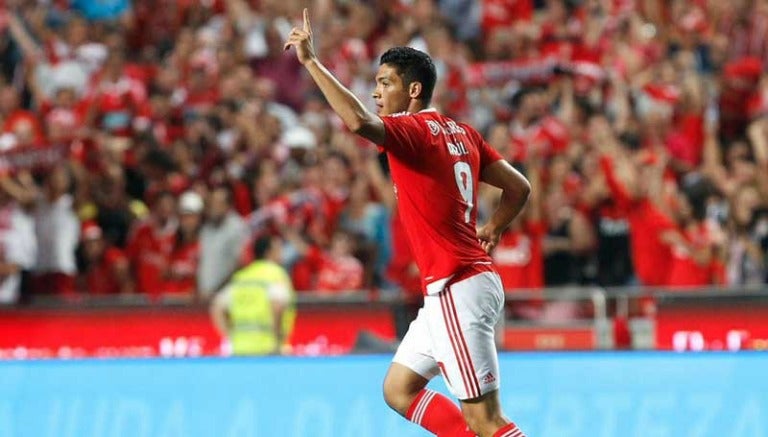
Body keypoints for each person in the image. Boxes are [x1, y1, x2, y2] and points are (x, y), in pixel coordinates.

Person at [285, 10, 530, 437]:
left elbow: (358, 122)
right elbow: (519, 187)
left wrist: (311, 62)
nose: (376, 92)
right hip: (456, 286)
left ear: (413, 90)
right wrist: (495, 227)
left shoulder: (413, 130)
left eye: (385, 83)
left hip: (457, 284)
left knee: (487, 421)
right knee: (399, 388)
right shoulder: (462, 132)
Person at [210, 233, 295, 356]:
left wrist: (230, 335)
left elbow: (216, 308)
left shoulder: (242, 277)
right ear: (269, 252)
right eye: (278, 249)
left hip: (239, 348)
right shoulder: (276, 274)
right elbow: (277, 306)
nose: (282, 253)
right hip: (267, 348)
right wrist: (277, 342)